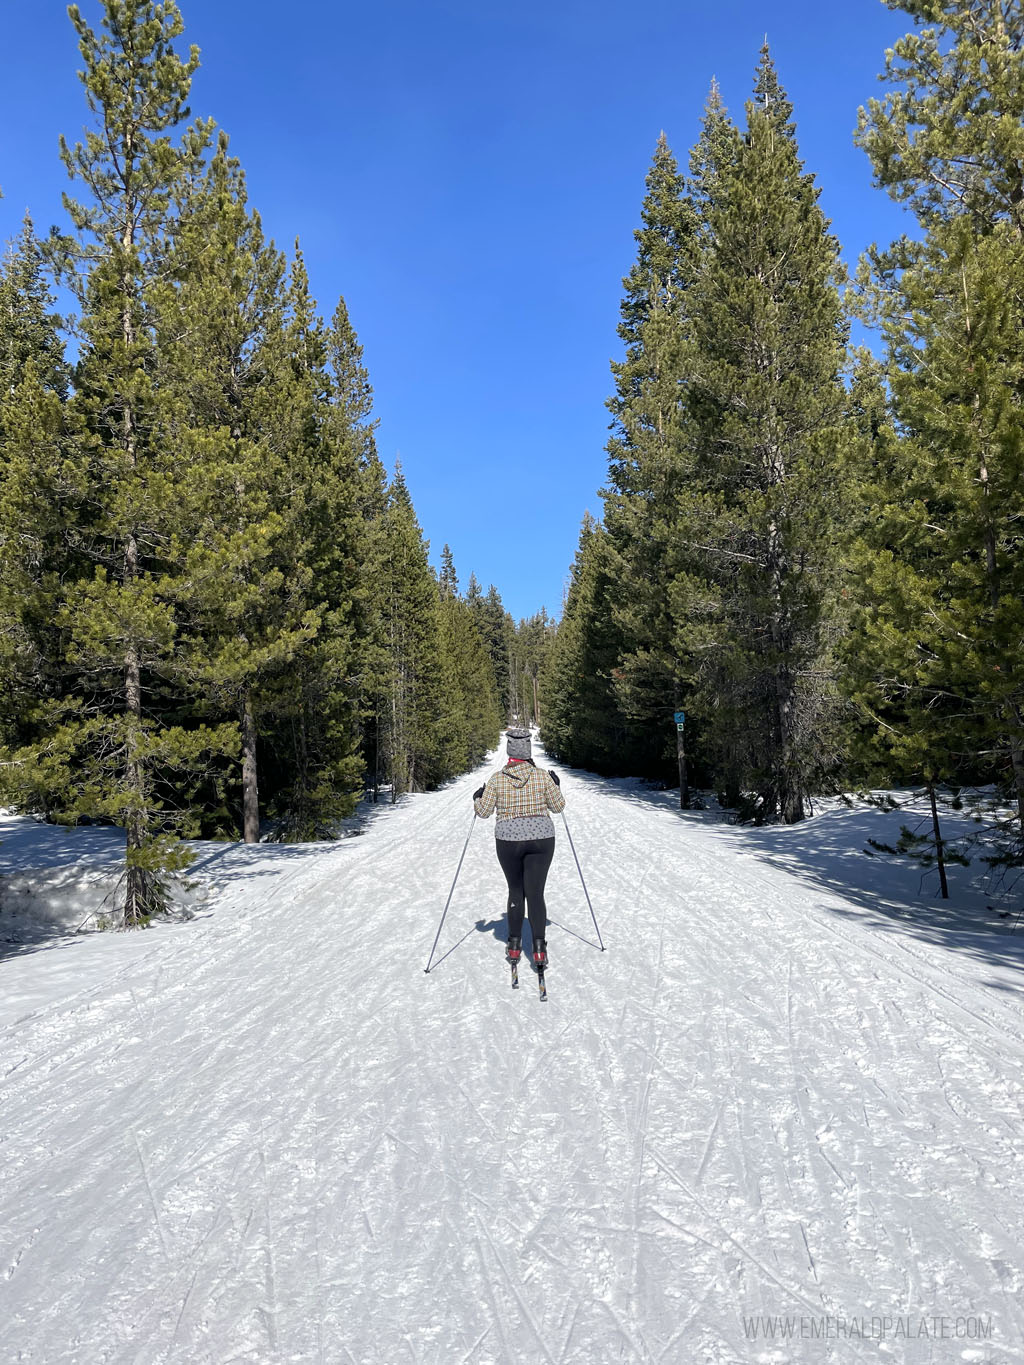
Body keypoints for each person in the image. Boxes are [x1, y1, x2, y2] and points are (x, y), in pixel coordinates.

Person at [473, 726, 565, 972]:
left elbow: (482, 813)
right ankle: (538, 948)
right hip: (541, 838)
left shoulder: (496, 779)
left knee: (515, 890)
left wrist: (477, 798)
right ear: (528, 750)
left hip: (508, 840)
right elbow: (558, 807)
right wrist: (556, 784)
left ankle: (514, 945)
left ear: (509, 752)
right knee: (535, 893)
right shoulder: (543, 776)